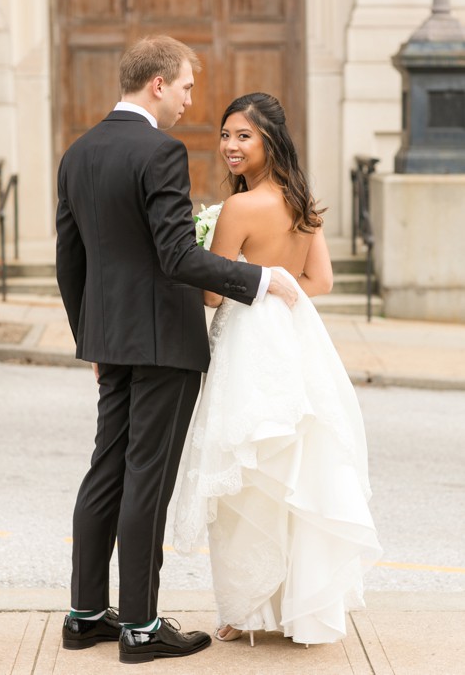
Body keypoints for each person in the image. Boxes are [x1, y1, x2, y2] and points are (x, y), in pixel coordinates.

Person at [55, 36, 299, 665]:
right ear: (158, 84)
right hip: (164, 341)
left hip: (111, 339)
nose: (192, 99)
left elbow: (69, 263)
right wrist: (259, 279)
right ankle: (139, 626)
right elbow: (175, 255)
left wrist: (92, 339)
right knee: (147, 480)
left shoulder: (78, 153)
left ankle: (85, 615)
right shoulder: (160, 150)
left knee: (105, 470)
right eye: (187, 86)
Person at [172, 92, 382, 646]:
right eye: (225, 135)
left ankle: (246, 610)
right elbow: (319, 282)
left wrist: (218, 262)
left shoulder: (240, 210)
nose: (230, 146)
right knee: (295, 469)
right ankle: (298, 608)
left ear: (269, 141)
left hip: (248, 346)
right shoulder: (301, 201)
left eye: (244, 136)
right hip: (294, 339)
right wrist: (276, 288)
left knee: (249, 474)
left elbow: (216, 297)